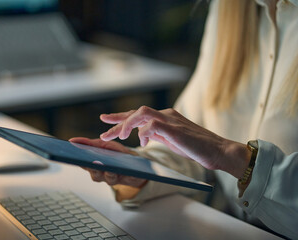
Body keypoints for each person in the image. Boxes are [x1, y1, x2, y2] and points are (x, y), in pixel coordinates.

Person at [70, 0, 298, 239]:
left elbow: (213, 150)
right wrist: (140, 169)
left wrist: (230, 155)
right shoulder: (230, 8)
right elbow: (193, 151)